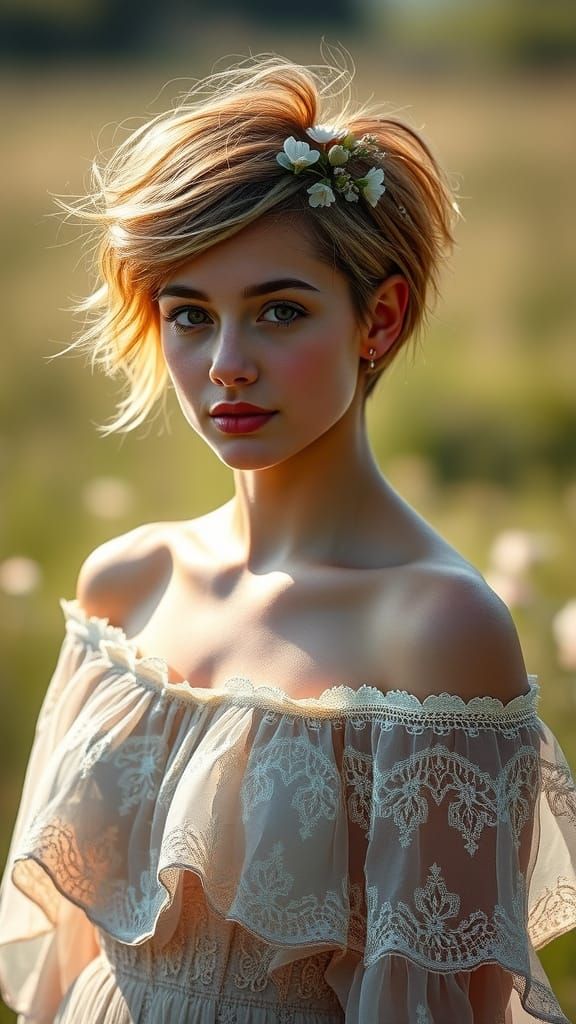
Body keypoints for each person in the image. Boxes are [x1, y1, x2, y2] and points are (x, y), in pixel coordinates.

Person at [0, 52, 575, 1024]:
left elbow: (445, 1002)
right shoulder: (126, 583)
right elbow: (70, 950)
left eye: (279, 311)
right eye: (190, 315)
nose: (227, 364)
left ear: (378, 319)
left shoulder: (437, 627)